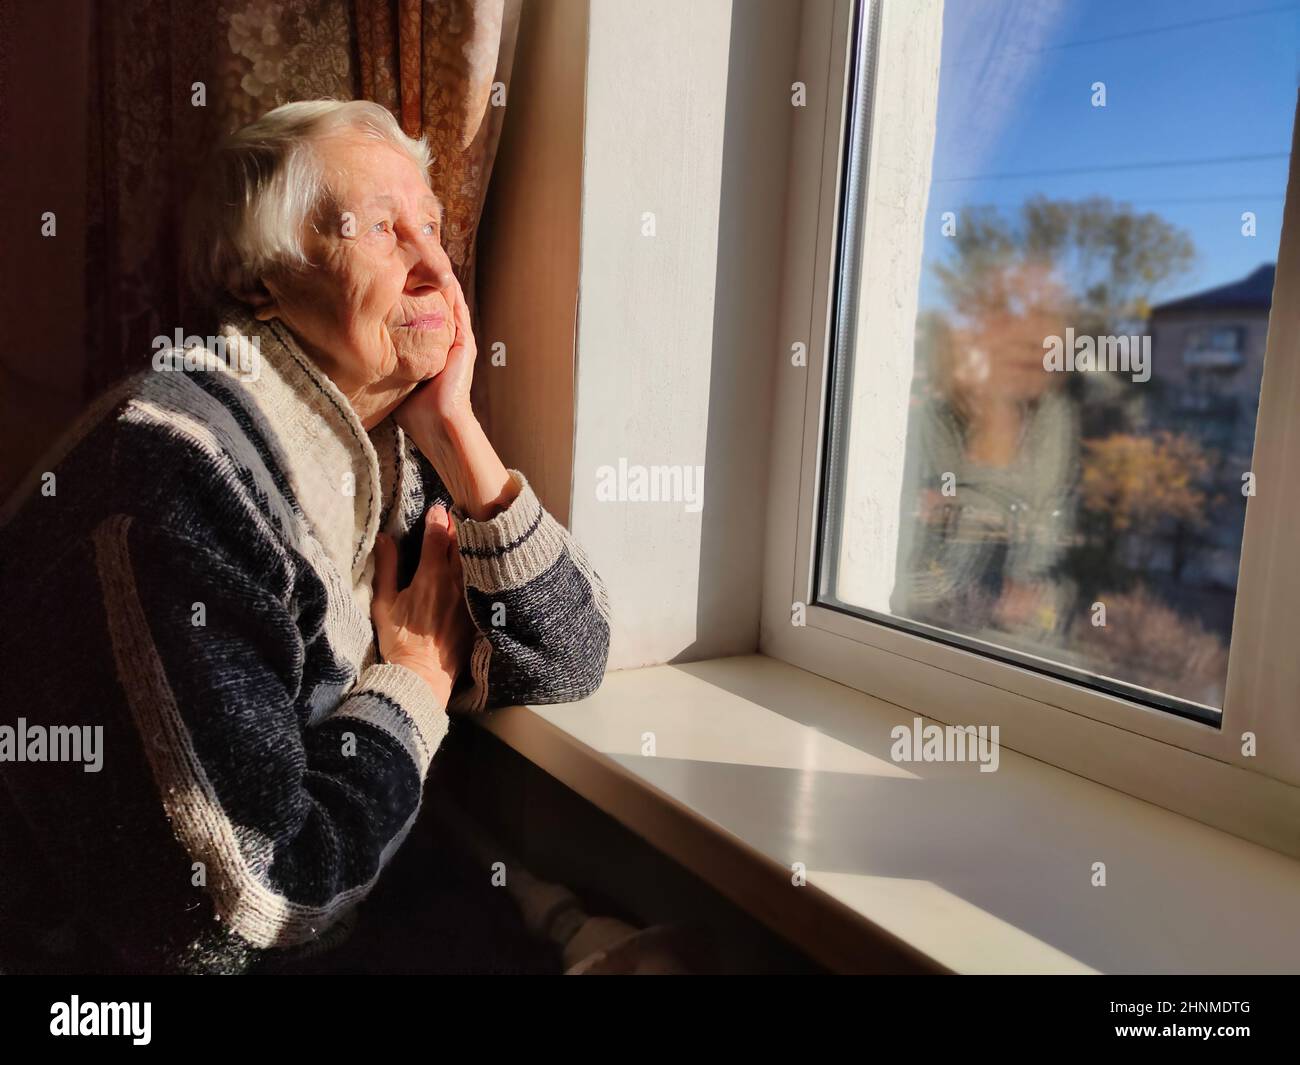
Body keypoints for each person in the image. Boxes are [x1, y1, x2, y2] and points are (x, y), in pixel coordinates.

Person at [0, 100, 611, 974]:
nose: (436, 265)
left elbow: (568, 655)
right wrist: (413, 683)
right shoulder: (176, 472)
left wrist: (459, 435)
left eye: (433, 227)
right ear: (263, 283)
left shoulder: (390, 450)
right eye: (380, 232)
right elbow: (239, 910)